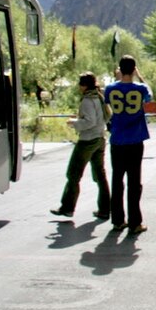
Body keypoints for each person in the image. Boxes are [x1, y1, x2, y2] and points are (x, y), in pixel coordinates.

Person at [50, 72, 111, 219]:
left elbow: (89, 121)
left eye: (80, 84)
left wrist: (74, 123)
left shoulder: (87, 100)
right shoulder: (99, 97)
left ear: (84, 85)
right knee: (100, 175)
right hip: (100, 138)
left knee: (73, 174)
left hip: (87, 140)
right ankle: (105, 208)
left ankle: (67, 207)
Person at [104, 55, 152, 235]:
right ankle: (135, 222)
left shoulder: (110, 89)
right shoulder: (141, 88)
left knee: (117, 181)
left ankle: (117, 220)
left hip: (117, 140)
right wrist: (140, 77)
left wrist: (119, 78)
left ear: (119, 69)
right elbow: (150, 99)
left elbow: (110, 100)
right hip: (135, 139)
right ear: (133, 69)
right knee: (134, 182)